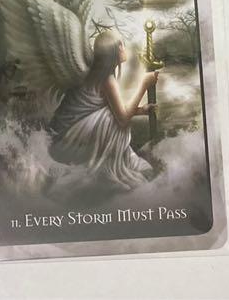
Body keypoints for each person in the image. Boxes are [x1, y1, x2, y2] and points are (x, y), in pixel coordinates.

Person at [49, 30, 158, 190]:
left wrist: (141, 110)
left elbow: (114, 109)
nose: (123, 47)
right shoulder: (106, 79)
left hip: (67, 137)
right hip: (66, 142)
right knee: (111, 119)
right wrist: (144, 84)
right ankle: (106, 170)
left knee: (110, 115)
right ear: (114, 50)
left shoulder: (98, 74)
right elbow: (122, 118)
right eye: (121, 44)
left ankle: (117, 164)